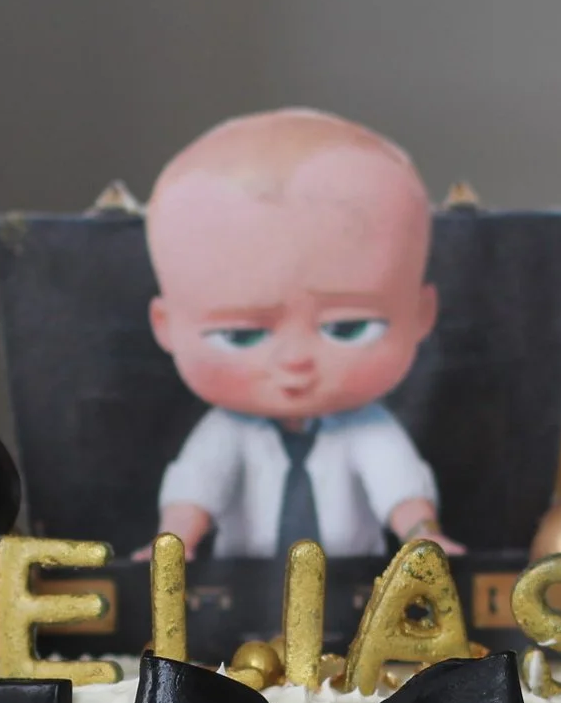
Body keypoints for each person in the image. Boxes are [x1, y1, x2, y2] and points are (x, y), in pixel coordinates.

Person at [141, 109, 462, 561]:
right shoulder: (226, 430)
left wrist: (423, 535)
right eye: (241, 335)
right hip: (246, 586)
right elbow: (196, 489)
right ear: (166, 326)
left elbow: (399, 487)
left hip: (353, 589)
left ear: (422, 314)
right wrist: (174, 543)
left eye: (346, 328)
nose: (295, 361)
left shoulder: (368, 428)